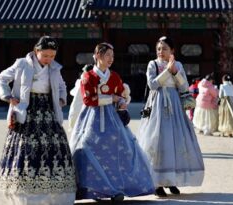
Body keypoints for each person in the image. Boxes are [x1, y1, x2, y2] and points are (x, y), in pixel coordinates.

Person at [69, 42, 154, 201]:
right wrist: (112, 98)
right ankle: (95, 189)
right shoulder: (88, 76)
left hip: (112, 118)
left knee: (120, 149)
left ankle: (116, 189)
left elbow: (121, 93)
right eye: (107, 55)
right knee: (87, 148)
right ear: (98, 56)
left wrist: (122, 101)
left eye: (112, 56)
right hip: (91, 118)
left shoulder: (114, 76)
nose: (111, 59)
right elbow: (88, 100)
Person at [0, 36, 76, 205]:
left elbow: (62, 86)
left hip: (48, 110)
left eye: (52, 56)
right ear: (36, 51)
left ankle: (54, 195)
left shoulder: (54, 68)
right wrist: (8, 96)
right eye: (45, 55)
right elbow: (1, 78)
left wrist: (61, 99)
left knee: (53, 149)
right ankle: (25, 195)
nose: (49, 59)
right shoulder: (21, 64)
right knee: (25, 148)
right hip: (27, 111)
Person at [137, 36, 204, 197]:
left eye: (165, 48)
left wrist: (175, 72)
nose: (161, 52)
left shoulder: (178, 65)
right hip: (157, 105)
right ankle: (157, 183)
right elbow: (152, 84)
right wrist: (168, 71)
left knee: (175, 141)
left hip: (174, 105)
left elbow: (184, 87)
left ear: (172, 50)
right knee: (157, 141)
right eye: (159, 49)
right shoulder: (152, 64)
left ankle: (172, 180)